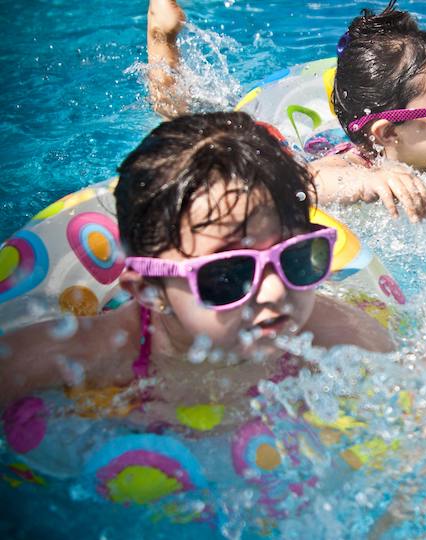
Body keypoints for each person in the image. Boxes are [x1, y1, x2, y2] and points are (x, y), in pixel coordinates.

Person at [0, 112, 394, 417]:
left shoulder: (332, 333)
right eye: (229, 275)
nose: (276, 291)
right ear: (148, 290)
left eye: (294, 258)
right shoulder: (88, 356)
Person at [145, 0, 426, 223]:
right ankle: (162, 39)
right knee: (188, 133)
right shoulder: (353, 164)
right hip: (302, 148)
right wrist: (367, 182)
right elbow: (301, 185)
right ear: (387, 134)